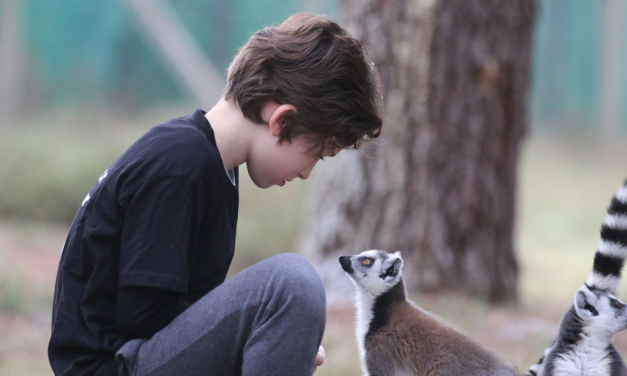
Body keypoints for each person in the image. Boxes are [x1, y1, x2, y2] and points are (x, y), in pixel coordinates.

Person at [48, 13, 382, 376]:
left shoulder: (214, 166)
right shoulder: (179, 164)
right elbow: (140, 315)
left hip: (139, 359)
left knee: (287, 296)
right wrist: (250, 334)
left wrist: (268, 338)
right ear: (281, 120)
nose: (306, 172)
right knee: (291, 285)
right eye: (315, 154)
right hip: (114, 366)